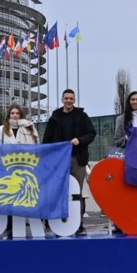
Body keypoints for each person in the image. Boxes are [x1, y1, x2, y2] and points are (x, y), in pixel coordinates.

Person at [43, 89, 97, 236]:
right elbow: (46, 139)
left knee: (78, 191)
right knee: (58, 190)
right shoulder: (55, 117)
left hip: (77, 159)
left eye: (71, 98)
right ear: (62, 99)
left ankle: (78, 223)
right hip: (59, 160)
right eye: (66, 98)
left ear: (74, 100)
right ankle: (55, 221)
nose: (68, 101)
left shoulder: (82, 116)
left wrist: (79, 140)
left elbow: (92, 133)